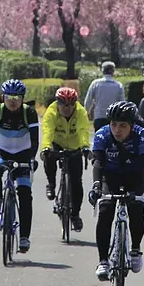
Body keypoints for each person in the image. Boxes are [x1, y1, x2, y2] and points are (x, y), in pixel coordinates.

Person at [88, 101, 144, 280]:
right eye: (113, 124)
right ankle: (103, 260)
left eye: (122, 126)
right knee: (105, 210)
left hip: (134, 175)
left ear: (132, 126)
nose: (117, 130)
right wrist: (96, 185)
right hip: (110, 176)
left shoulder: (141, 134)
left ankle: (135, 249)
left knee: (136, 209)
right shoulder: (102, 134)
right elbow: (98, 163)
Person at [0, 78, 39, 254]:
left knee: (25, 195)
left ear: (22, 98)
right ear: (3, 97)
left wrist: (31, 158)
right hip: (2, 151)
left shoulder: (29, 113)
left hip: (23, 152)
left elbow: (35, 139)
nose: (13, 101)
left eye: (17, 97)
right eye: (9, 97)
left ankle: (24, 237)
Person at [40, 86, 90, 232]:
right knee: (49, 157)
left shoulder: (80, 112)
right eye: (63, 104)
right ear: (58, 103)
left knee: (76, 183)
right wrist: (46, 147)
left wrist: (85, 147)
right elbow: (47, 131)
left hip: (75, 146)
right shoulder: (51, 112)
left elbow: (82, 130)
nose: (67, 108)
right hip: (57, 143)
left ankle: (75, 215)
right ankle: (51, 184)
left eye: (70, 105)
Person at [84, 61, 125, 131]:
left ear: (102, 71)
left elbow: (88, 100)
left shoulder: (95, 83)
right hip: (113, 118)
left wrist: (86, 112)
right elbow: (122, 103)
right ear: (113, 71)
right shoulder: (118, 85)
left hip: (99, 116)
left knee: (99, 139)